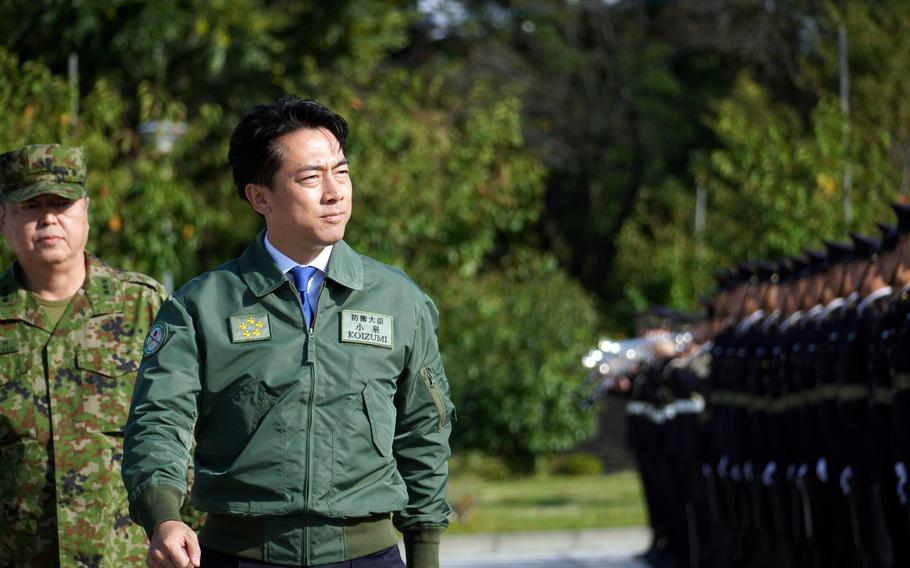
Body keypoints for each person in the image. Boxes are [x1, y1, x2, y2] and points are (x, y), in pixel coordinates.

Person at [122, 96, 455, 568]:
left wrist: (425, 553)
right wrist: (163, 516)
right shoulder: (200, 306)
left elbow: (424, 433)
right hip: (238, 557)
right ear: (260, 197)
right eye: (310, 177)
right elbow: (159, 420)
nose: (335, 192)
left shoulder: (399, 300)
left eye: (341, 172)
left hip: (367, 557)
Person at [0, 144, 167, 565]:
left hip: (127, 557)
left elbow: (189, 431)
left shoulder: (143, 306)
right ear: (3, 219)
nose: (48, 218)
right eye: (30, 206)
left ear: (86, 210)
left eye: (61, 204)